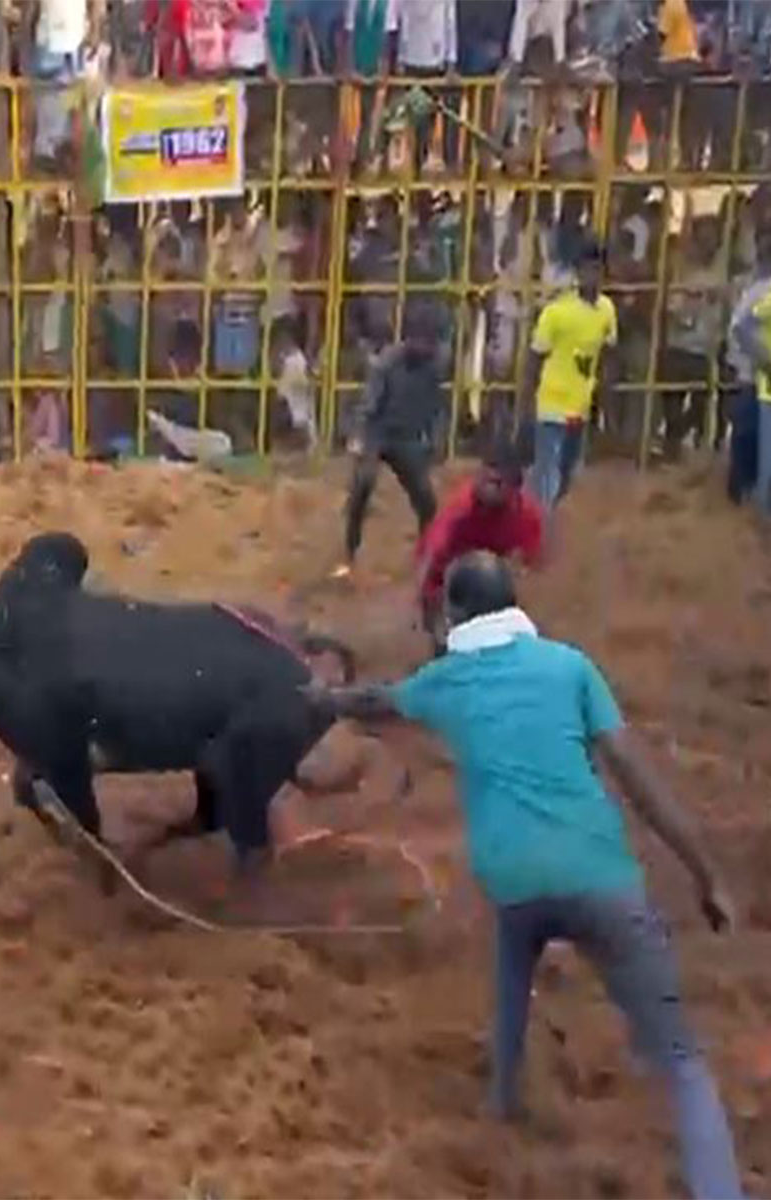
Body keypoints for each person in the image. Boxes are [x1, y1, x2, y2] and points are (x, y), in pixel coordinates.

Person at [305, 553, 743, 1200]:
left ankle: (503, 1099)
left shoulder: (446, 679)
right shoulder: (570, 666)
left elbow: (374, 702)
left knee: (517, 946)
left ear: (453, 615)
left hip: (510, 879)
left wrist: (317, 698)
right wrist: (707, 875)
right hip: (600, 875)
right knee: (681, 1062)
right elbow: (636, 775)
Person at [337, 311, 443, 578]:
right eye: (423, 341)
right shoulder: (386, 364)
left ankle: (425, 555)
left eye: (431, 342)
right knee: (363, 485)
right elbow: (369, 406)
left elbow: (435, 406)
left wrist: (432, 438)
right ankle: (349, 551)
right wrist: (360, 440)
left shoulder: (434, 367)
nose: (427, 347)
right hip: (378, 432)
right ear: (409, 339)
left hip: (405, 437)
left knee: (426, 499)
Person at [520, 239, 617, 516]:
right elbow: (534, 359)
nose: (592, 275)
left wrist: (604, 403)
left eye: (597, 269)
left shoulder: (607, 311)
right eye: (588, 269)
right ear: (578, 272)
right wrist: (527, 402)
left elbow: (607, 357)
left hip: (580, 407)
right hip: (552, 402)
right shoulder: (556, 312)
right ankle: (539, 531)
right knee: (549, 476)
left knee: (563, 475)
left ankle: (530, 514)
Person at [414, 446, 544, 646]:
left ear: (514, 489)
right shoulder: (461, 509)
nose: (486, 487)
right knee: (444, 637)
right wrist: (423, 601)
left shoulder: (526, 516)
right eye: (483, 479)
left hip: (490, 567)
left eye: (497, 483)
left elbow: (524, 567)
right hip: (449, 567)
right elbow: (431, 556)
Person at [730, 230, 771, 515]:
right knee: (748, 438)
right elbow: (740, 327)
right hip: (753, 378)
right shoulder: (760, 290)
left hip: (758, 379)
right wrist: (765, 358)